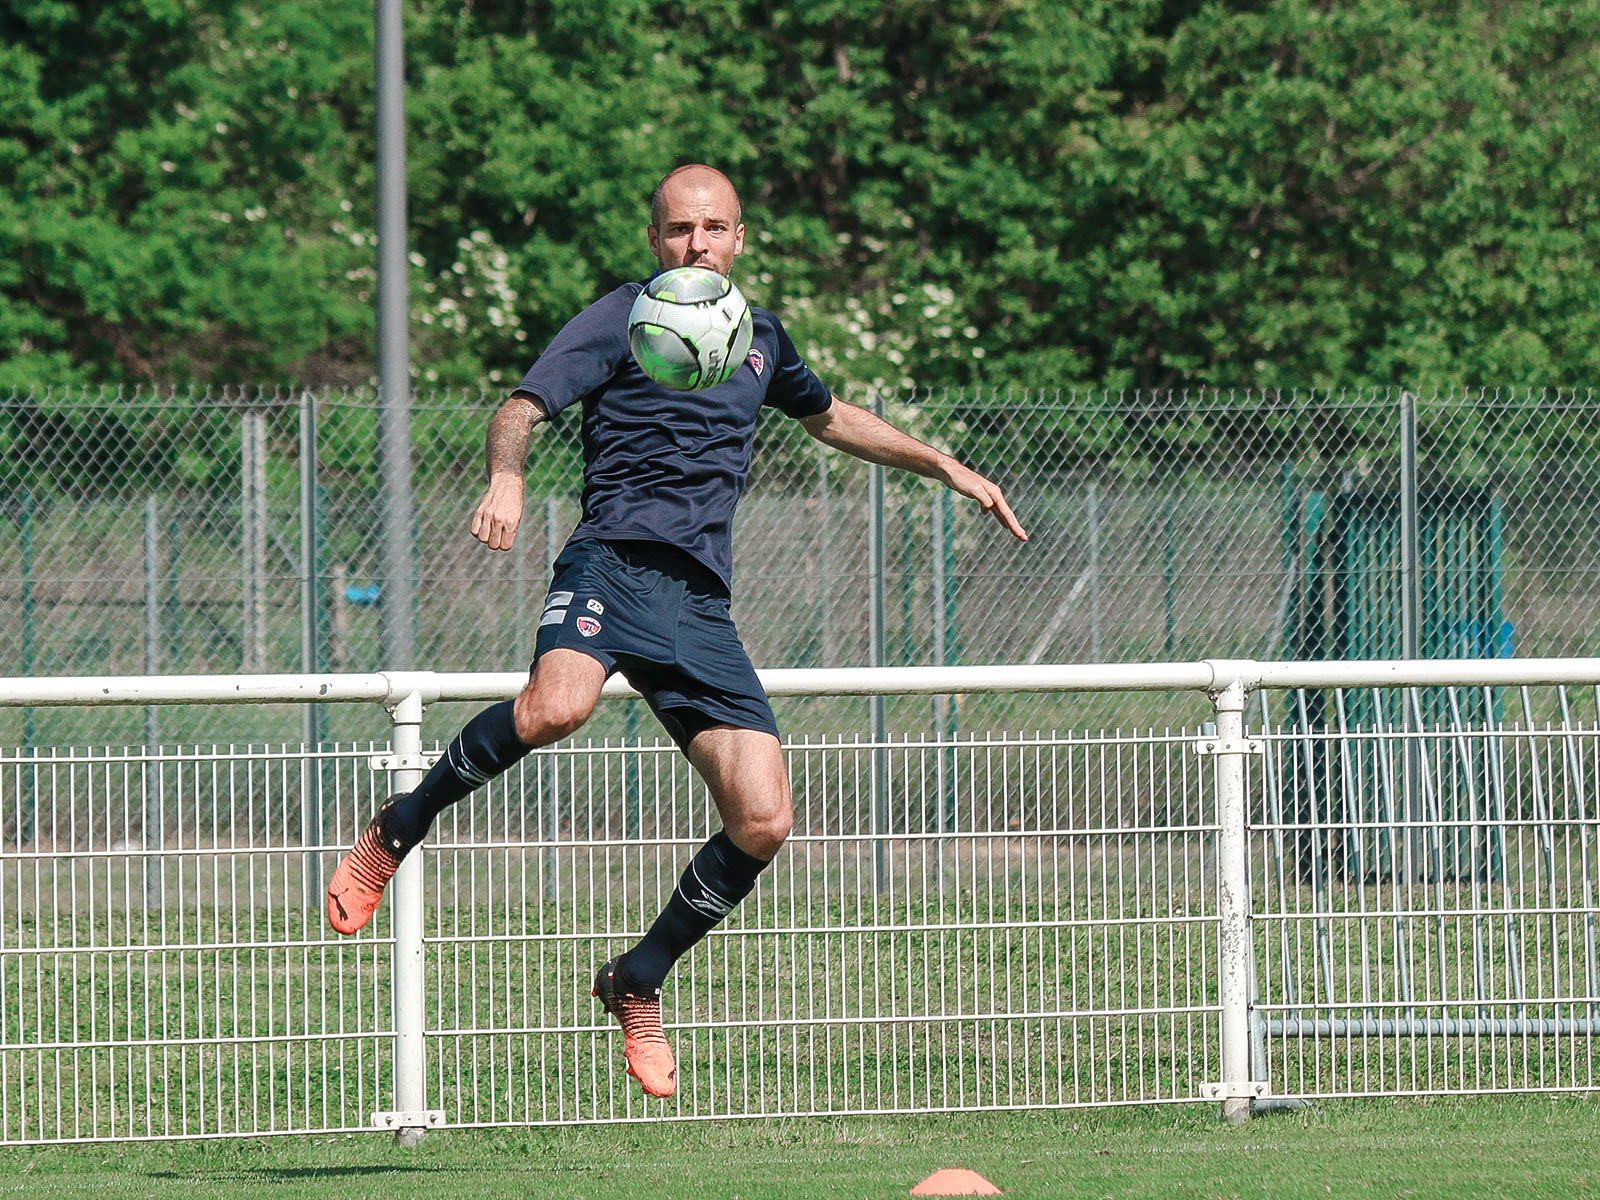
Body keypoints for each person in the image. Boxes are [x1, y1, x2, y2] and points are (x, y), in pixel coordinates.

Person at [326, 163, 1028, 1099]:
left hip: (698, 605)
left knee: (765, 818)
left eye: (713, 228)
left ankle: (637, 978)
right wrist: (508, 475)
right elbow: (521, 406)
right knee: (555, 710)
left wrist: (944, 464)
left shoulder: (759, 338)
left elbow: (829, 418)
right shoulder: (621, 317)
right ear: (653, 239)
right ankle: (398, 827)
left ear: (739, 238)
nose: (695, 243)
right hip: (610, 565)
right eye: (678, 229)